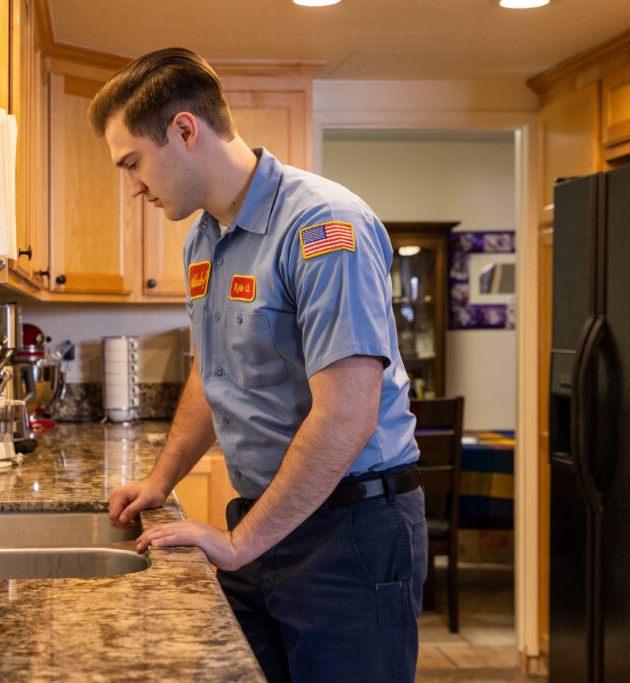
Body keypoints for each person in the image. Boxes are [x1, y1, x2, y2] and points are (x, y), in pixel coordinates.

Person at [89, 47, 427, 682]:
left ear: (185, 130)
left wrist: (241, 544)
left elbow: (348, 413)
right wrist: (163, 480)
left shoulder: (325, 226)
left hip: (350, 533)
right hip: (265, 521)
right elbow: (213, 369)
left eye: (133, 162)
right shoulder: (204, 236)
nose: (132, 185)